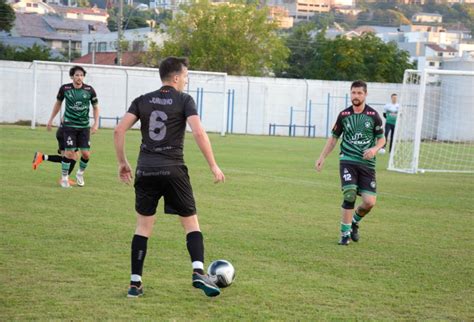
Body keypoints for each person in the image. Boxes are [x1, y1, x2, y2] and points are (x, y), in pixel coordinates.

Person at [114, 57, 225, 298]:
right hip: (173, 169)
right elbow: (198, 131)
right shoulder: (184, 100)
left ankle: (135, 284)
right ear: (176, 77)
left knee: (143, 227)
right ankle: (198, 272)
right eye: (185, 76)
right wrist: (213, 165)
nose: (186, 80)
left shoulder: (142, 100)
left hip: (146, 169)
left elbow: (119, 129)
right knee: (190, 223)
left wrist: (123, 162)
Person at [315, 80, 385, 246]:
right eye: (353, 93)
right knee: (350, 194)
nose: (356, 96)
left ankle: (354, 221)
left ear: (365, 95)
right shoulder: (344, 115)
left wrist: (374, 149)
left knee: (369, 202)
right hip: (347, 160)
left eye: (359, 93)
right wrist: (322, 156)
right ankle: (344, 234)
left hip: (367, 164)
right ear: (350, 94)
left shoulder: (373, 116)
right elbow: (334, 138)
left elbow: (382, 139)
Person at [46, 65, 100, 188]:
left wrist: (96, 123)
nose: (79, 77)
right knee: (69, 153)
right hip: (69, 125)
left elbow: (96, 107)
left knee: (86, 154)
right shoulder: (65, 89)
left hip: (84, 127)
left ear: (83, 77)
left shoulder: (89, 90)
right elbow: (58, 104)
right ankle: (64, 178)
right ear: (72, 76)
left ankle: (80, 174)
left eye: (81, 75)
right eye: (77, 75)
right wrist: (51, 119)